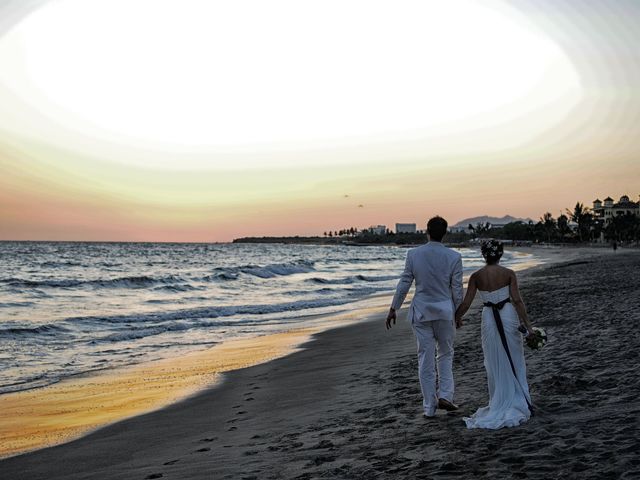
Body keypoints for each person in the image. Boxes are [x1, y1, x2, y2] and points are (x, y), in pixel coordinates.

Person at [386, 216, 463, 418]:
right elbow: (456, 290)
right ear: (445, 233)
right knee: (445, 354)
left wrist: (394, 307)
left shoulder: (414, 254)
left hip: (421, 312)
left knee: (425, 358)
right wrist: (459, 313)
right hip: (445, 312)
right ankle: (446, 395)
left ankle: (429, 407)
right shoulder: (454, 257)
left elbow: (404, 283)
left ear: (426, 231)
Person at [455, 239, 536, 429]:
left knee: (493, 359)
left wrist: (456, 318)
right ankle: (517, 397)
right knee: (514, 356)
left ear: (483, 255)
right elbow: (517, 300)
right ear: (500, 254)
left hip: (488, 318)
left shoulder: (476, 276)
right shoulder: (508, 273)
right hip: (507, 315)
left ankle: (499, 399)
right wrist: (529, 327)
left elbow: (466, 303)